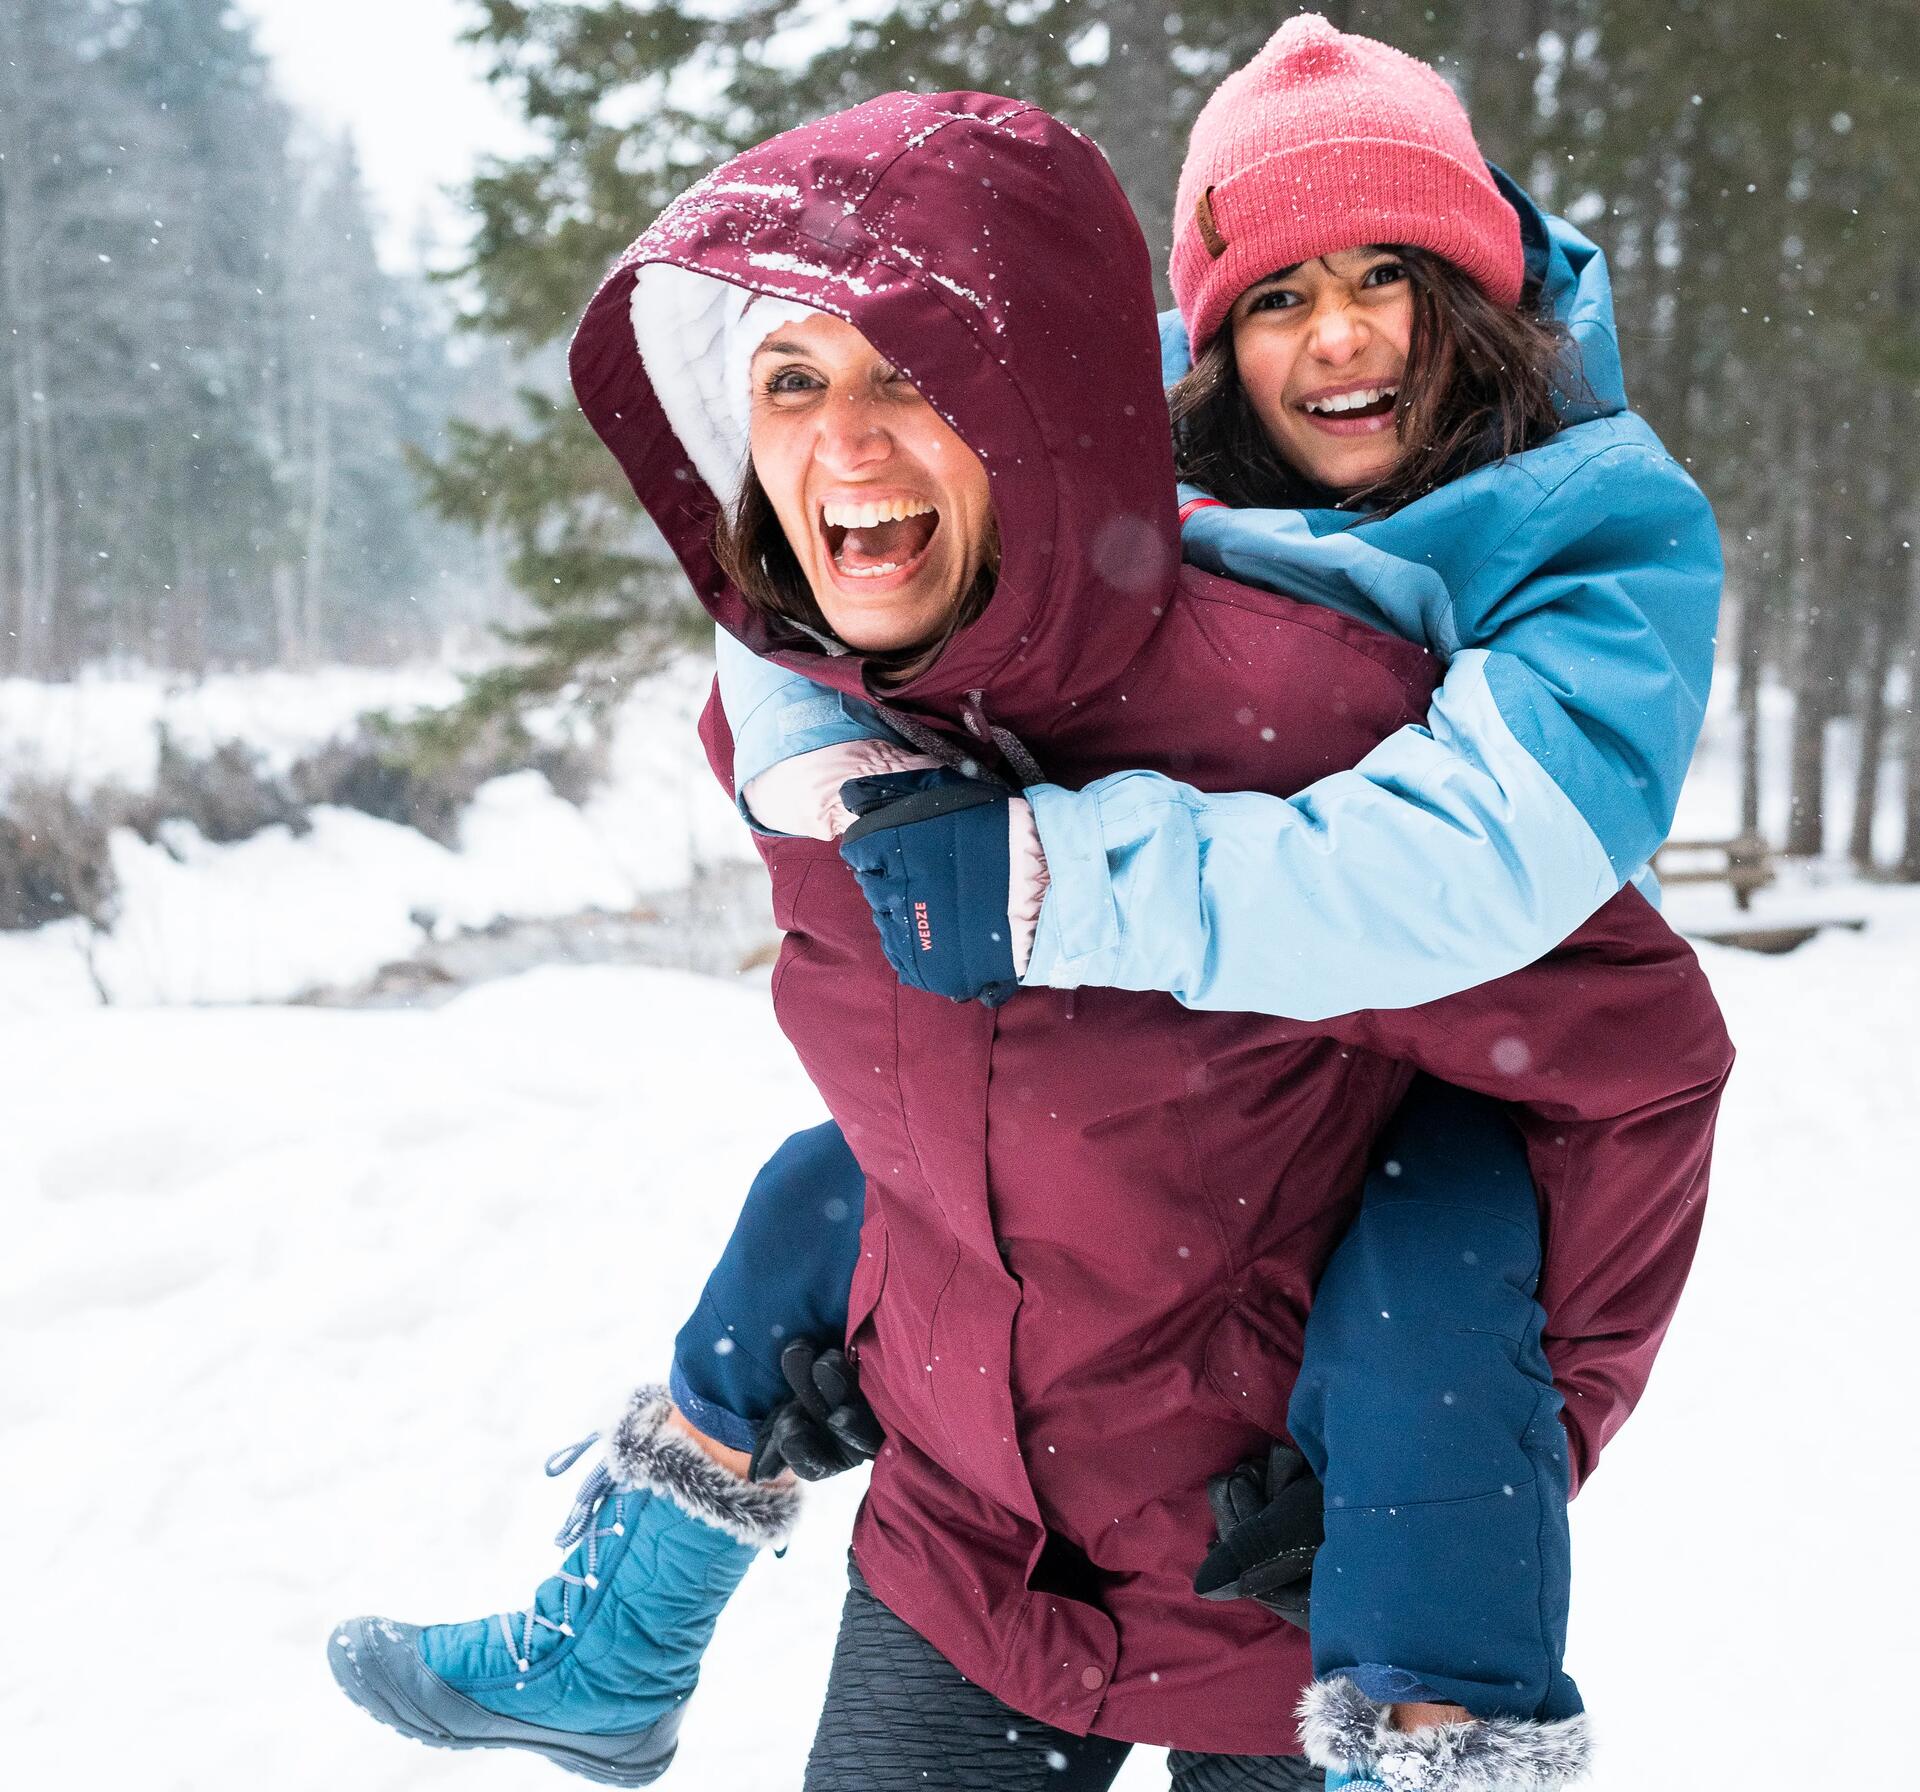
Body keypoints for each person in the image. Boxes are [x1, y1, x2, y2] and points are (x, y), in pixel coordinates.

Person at [329, 43, 1730, 1792]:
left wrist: (1059, 874)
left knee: (1430, 1314)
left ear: (1487, 296)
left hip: (1443, 1027)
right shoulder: (1130, 471)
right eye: (1280, 291)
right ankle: (630, 1613)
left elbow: (1476, 872)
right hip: (1004, 1487)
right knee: (836, 1188)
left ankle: (1427, 1725)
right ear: (1209, 339)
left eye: (1395, 277)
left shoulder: (1588, 525)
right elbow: (805, 580)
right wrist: (842, 779)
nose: (1344, 335)